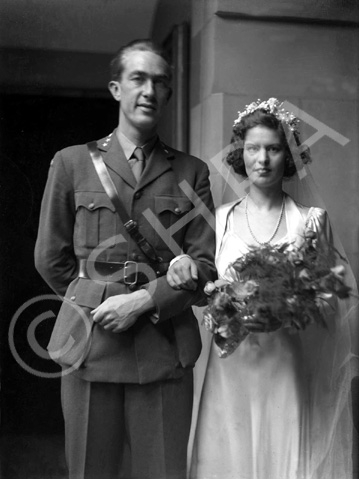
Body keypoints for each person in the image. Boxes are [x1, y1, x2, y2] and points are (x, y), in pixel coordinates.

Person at [34, 39, 216, 479]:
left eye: (159, 82)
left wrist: (143, 301)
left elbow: (205, 265)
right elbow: (50, 257)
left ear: (169, 94)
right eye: (138, 78)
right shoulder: (72, 163)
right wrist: (94, 301)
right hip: (92, 343)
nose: (149, 90)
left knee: (163, 470)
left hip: (165, 349)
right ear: (117, 88)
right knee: (89, 470)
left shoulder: (192, 172)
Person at [167, 98, 358, 479]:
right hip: (231, 367)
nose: (263, 159)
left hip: (287, 365)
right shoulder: (217, 220)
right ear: (241, 154)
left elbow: (331, 294)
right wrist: (208, 290)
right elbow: (201, 278)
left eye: (273, 148)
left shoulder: (311, 221)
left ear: (288, 156)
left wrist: (287, 306)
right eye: (253, 148)